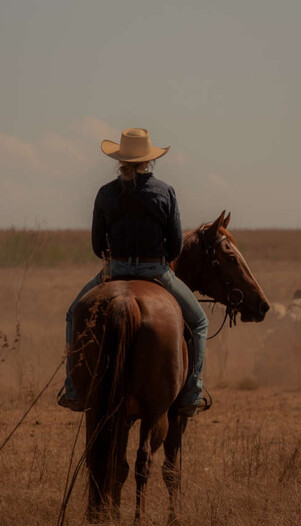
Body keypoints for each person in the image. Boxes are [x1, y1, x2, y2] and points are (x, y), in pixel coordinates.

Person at [58, 128, 208, 415]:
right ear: (148, 161)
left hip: (113, 270)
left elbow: (95, 245)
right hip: (156, 272)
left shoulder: (104, 193)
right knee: (199, 322)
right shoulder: (166, 192)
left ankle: (74, 390)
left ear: (120, 160)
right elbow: (176, 245)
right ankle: (192, 393)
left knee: (72, 314)